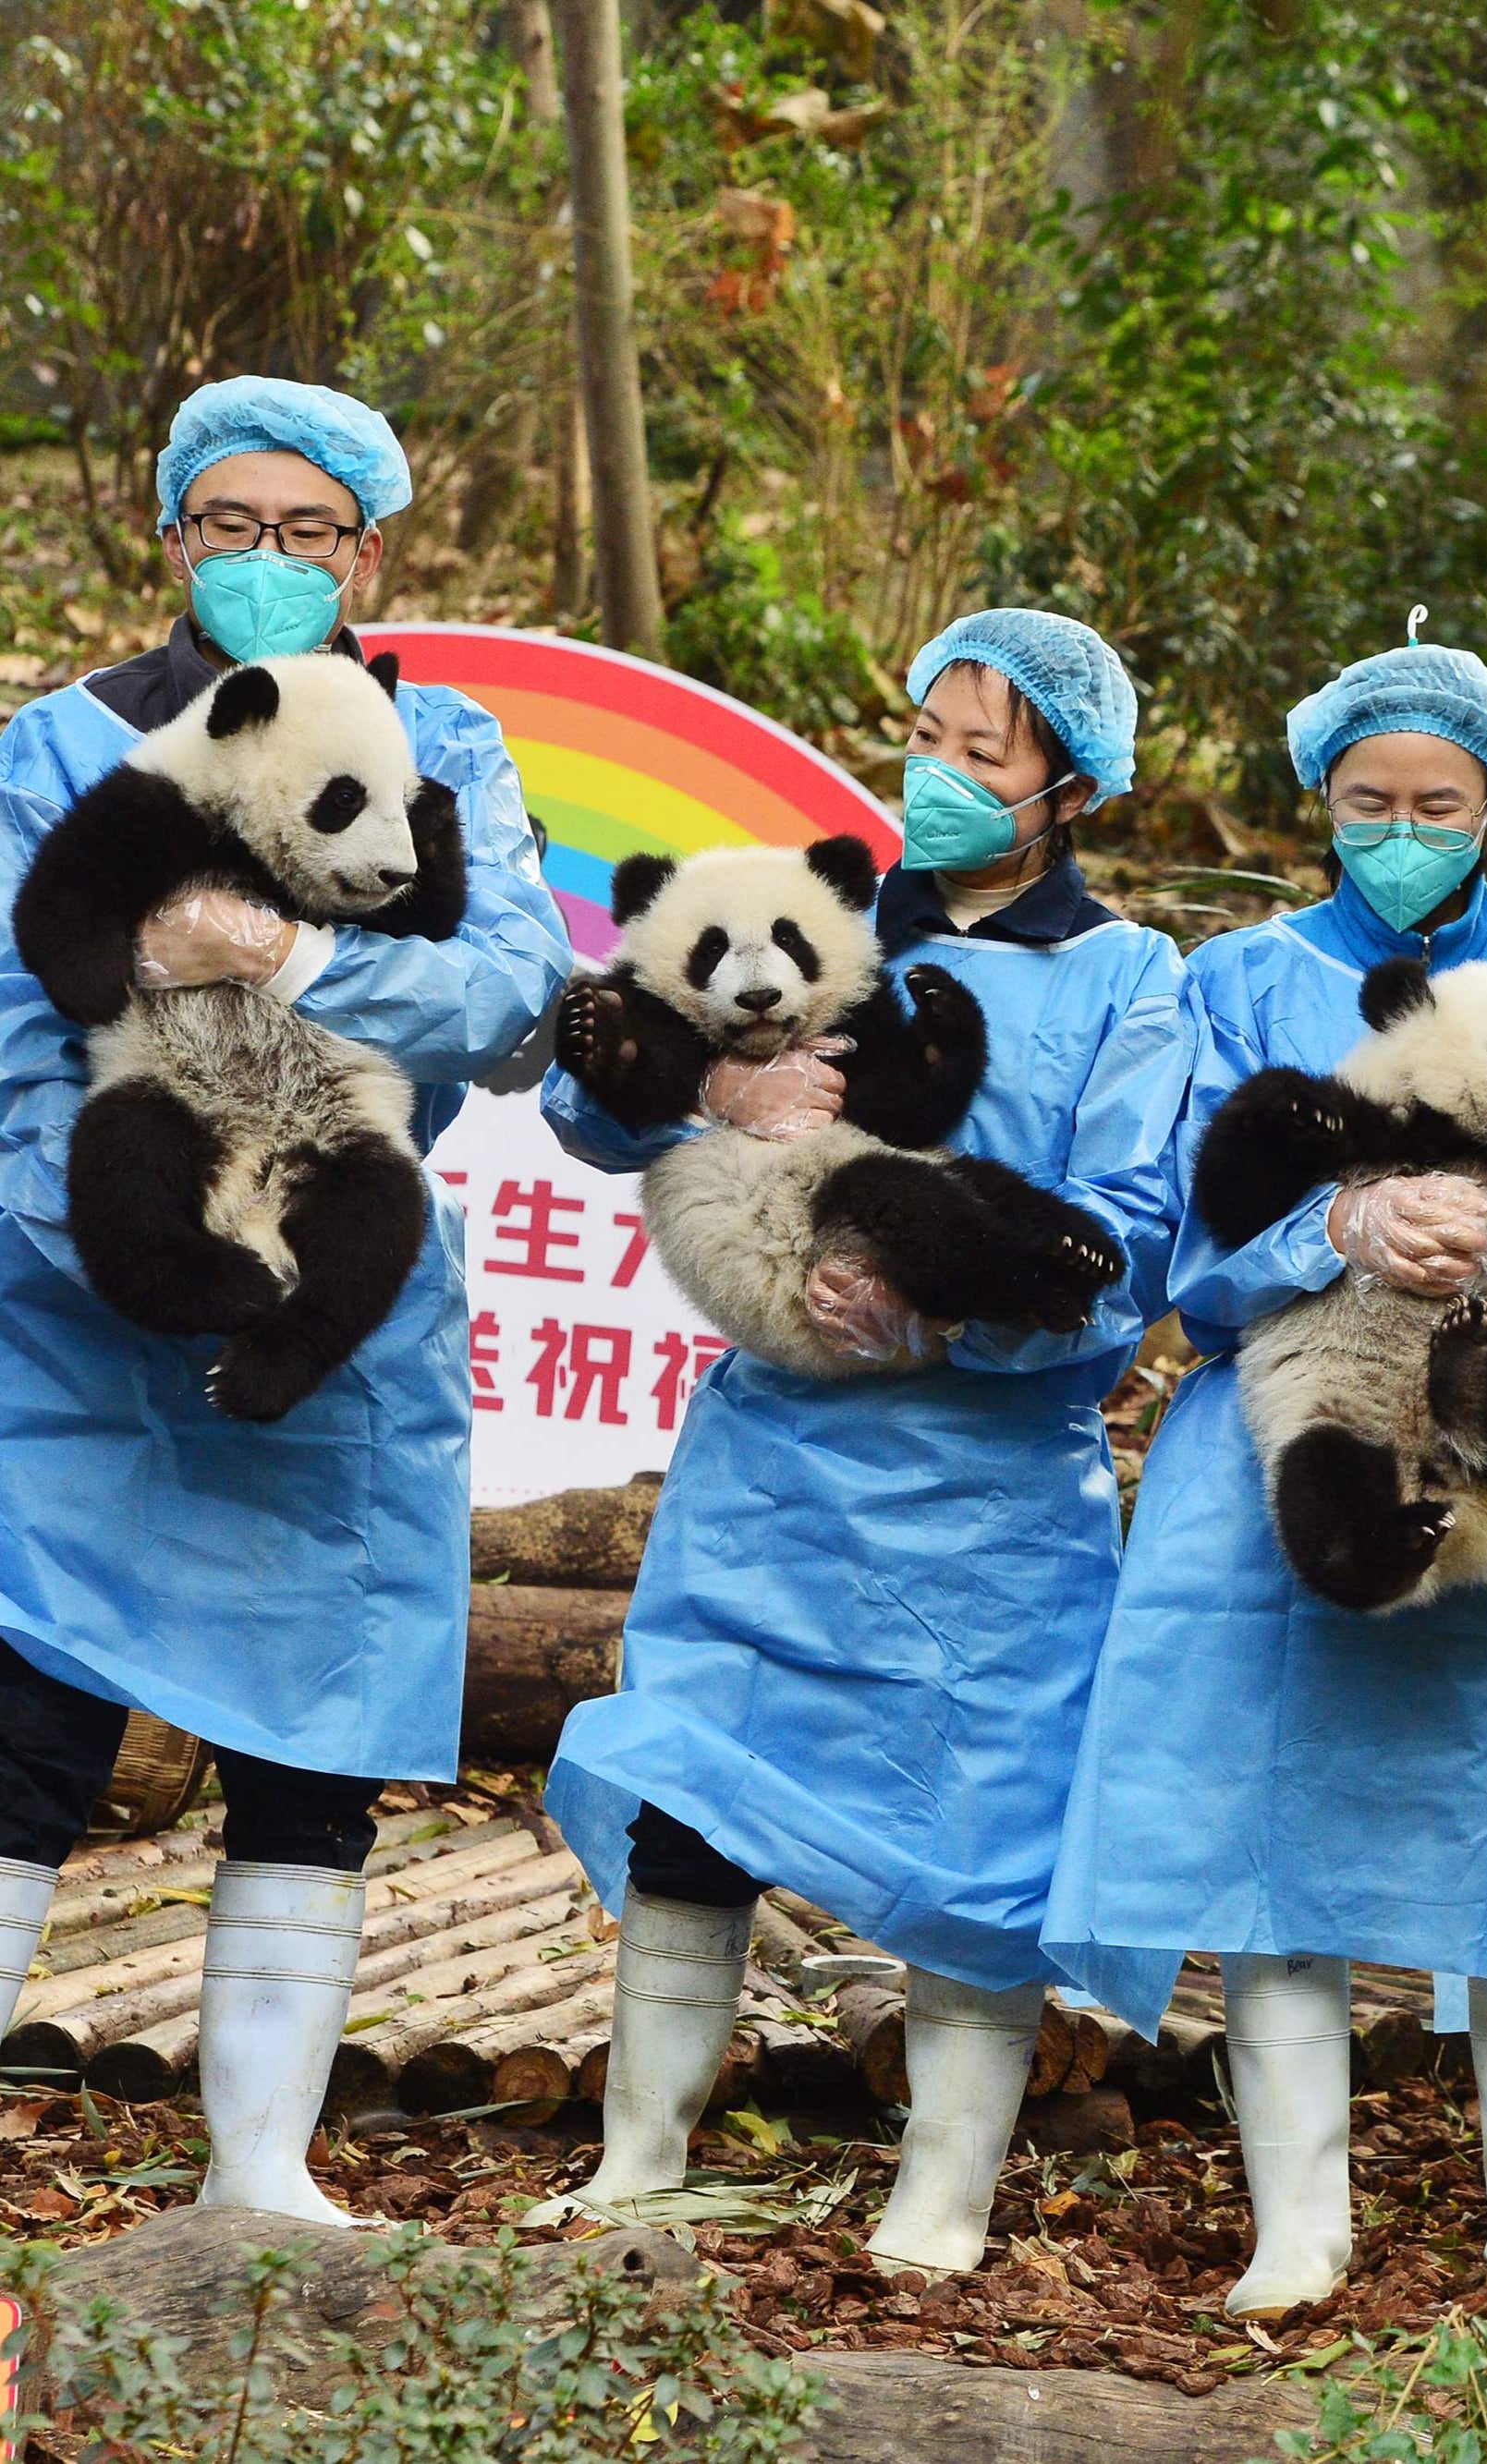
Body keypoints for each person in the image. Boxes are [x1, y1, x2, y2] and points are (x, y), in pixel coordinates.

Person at [529, 611, 1191, 2276]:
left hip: (990, 1492)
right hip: (779, 1472)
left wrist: (952, 1316)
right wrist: (698, 1107)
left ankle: (944, 2191)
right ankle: (640, 2157)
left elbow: (1132, 1231)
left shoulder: (1127, 977)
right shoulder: (812, 913)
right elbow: (598, 1082)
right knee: (691, 1791)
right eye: (929, 732)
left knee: (981, 1850)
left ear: (1073, 789)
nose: (941, 774)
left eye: (987, 752)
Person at [0, 377, 569, 2220]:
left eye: (306, 529)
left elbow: (507, 995)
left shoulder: (444, 738)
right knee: (23, 1735)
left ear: (373, 550)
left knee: (311, 1752)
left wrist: (290, 962)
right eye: (228, 526)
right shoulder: (55, 747)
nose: (265, 559)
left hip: (339, 1331)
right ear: (170, 539)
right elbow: (19, 1031)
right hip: (76, 1326)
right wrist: (88, 1236)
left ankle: (261, 2176)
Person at [1042, 632, 1487, 2316]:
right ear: (1322, 800)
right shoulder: (1235, 980)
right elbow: (1185, 1241)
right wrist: (1340, 1226)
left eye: (1437, 801)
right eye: (1368, 800)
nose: (1402, 826)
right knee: (1265, 1831)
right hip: (1279, 1453)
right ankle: (1296, 2225)